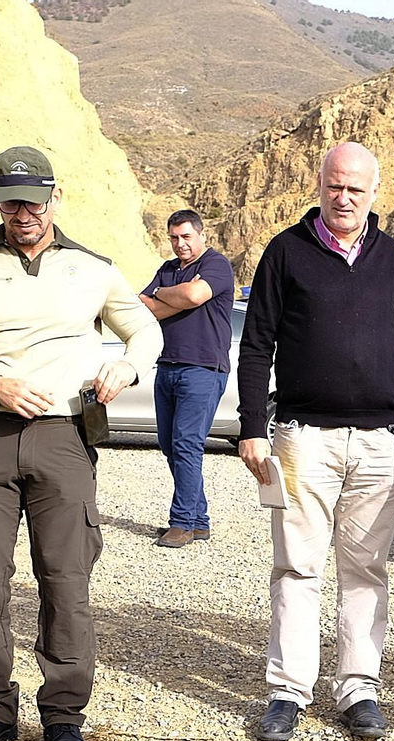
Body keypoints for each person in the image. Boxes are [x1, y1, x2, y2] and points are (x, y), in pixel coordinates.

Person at [0, 147, 161, 741]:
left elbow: (146, 331)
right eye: (10, 200)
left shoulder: (94, 269)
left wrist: (125, 363)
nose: (23, 211)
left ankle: (63, 717)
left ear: (56, 198)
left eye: (34, 199)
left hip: (64, 438)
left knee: (66, 580)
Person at [236, 142, 394, 741]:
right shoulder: (285, 253)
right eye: (335, 185)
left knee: (366, 570)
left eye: (356, 188)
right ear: (320, 185)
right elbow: (257, 345)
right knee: (297, 566)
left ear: (375, 192)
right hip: (303, 439)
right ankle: (288, 691)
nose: (344, 197)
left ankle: (358, 687)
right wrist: (252, 427)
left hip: (381, 441)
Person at [138, 209, 235, 548]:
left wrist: (167, 294)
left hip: (203, 368)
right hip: (166, 366)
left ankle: (181, 524)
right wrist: (176, 292)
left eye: (186, 237)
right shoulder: (167, 270)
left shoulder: (216, 265)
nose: (180, 244)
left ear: (201, 235)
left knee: (186, 444)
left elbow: (195, 296)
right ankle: (199, 519)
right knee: (170, 444)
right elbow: (142, 306)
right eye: (174, 238)